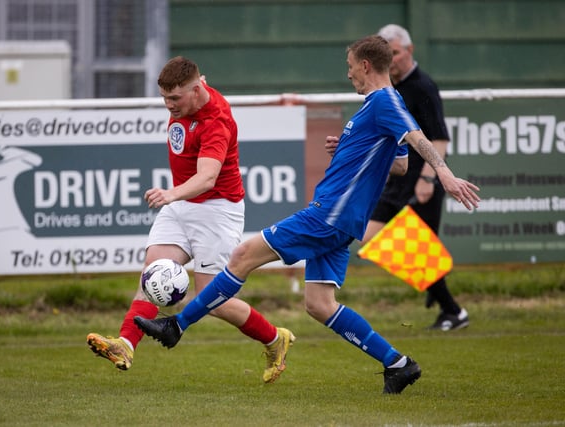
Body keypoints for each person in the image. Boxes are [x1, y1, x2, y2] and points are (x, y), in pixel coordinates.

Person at [134, 36, 480, 394]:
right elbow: (400, 165)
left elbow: (416, 138)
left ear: (365, 66)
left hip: (330, 214)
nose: (349, 76)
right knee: (319, 304)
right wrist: (346, 148)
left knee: (242, 256)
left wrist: (444, 173)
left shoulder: (384, 101)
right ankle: (398, 364)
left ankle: (177, 327)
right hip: (344, 220)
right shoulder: (376, 106)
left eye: (349, 67)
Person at [87, 56, 295, 384]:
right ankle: (125, 344)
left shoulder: (216, 122)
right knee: (152, 274)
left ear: (196, 91)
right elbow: (194, 76)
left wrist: (170, 194)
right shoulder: (192, 95)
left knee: (213, 302)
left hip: (217, 210)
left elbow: (208, 177)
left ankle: (274, 338)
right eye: (165, 98)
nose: (169, 105)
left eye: (175, 98)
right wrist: (177, 198)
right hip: (183, 205)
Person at [359, 24, 468, 331]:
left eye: (394, 53)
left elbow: (439, 139)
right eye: (386, 53)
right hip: (396, 182)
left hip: (420, 182)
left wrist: (427, 180)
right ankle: (440, 296)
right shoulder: (387, 89)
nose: (391, 59)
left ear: (409, 51)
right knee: (376, 238)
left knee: (419, 249)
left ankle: (452, 310)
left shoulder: (422, 87)